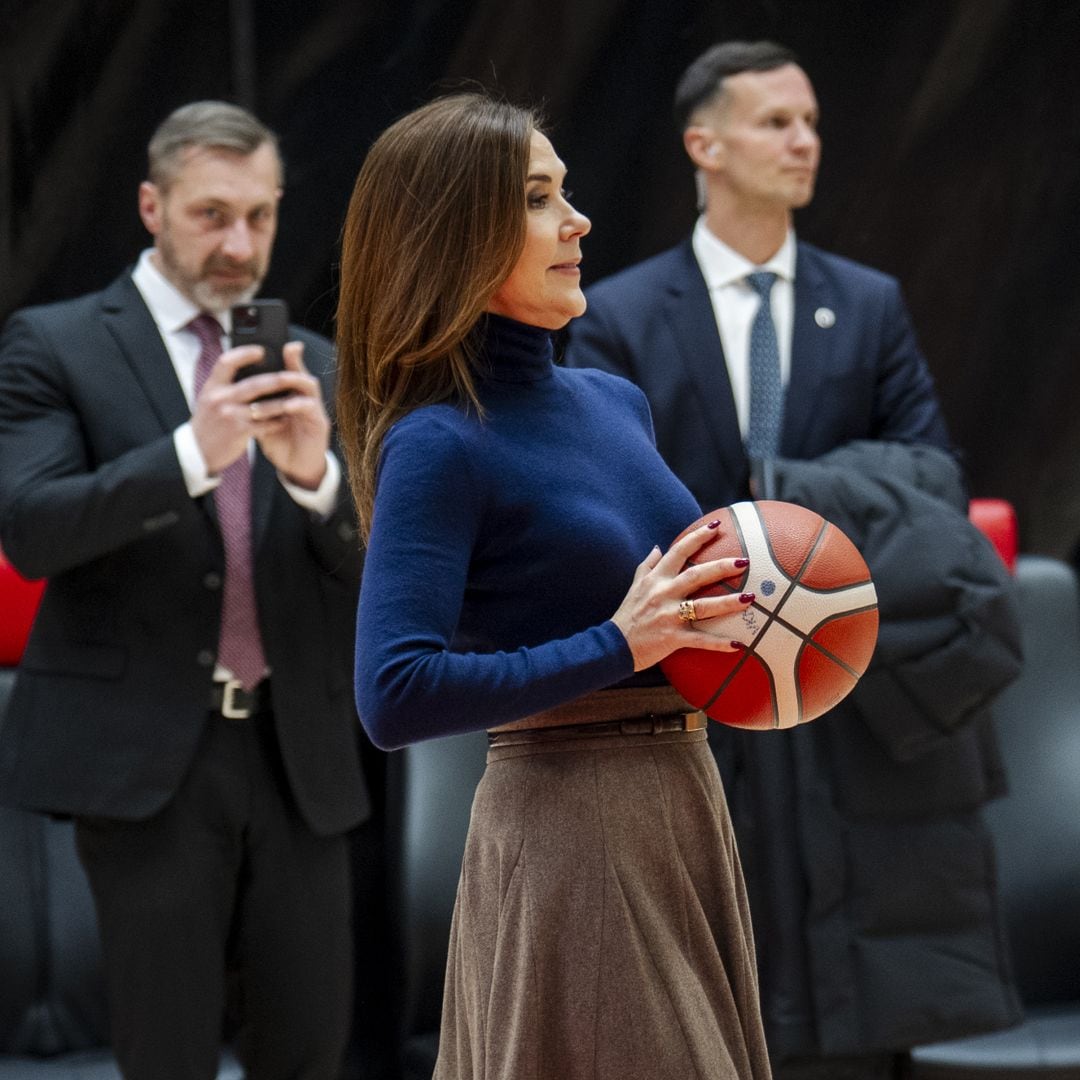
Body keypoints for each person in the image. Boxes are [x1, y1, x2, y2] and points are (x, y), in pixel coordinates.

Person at [565, 40, 1024, 1080]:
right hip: (695, 696)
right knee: (703, 1019)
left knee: (855, 1034)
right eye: (777, 121)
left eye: (811, 121)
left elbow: (932, 474)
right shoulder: (621, 316)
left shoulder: (867, 303)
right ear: (704, 144)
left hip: (841, 694)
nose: (805, 140)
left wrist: (785, 493)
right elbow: (595, 505)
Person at [335, 92, 773, 1080]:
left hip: (685, 802)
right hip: (574, 830)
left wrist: (757, 635)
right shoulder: (438, 443)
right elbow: (392, 695)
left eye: (566, 191)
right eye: (539, 199)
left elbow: (668, 624)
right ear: (457, 234)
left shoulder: (615, 401)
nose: (577, 221)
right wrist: (620, 644)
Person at [0, 101, 368, 1079]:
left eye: (260, 215)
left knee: (308, 1048)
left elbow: (377, 575)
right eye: (212, 215)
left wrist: (312, 478)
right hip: (146, 757)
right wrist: (189, 457)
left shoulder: (318, 368)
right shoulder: (56, 344)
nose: (239, 244)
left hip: (300, 760)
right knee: (165, 1054)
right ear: (151, 206)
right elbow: (32, 532)